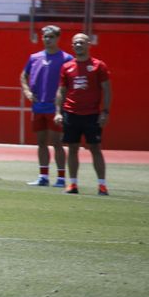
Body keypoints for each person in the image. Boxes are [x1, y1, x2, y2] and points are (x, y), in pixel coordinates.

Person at [54, 32, 110, 196]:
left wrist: (105, 111)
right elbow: (62, 91)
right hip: (71, 113)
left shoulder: (99, 66)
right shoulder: (67, 67)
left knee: (95, 148)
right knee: (72, 148)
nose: (79, 45)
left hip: (92, 114)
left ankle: (102, 185)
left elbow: (107, 89)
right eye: (76, 43)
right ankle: (73, 184)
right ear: (72, 46)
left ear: (88, 45)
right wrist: (58, 112)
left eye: (82, 42)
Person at [20, 24, 71, 187]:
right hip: (38, 107)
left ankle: (61, 178)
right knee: (41, 142)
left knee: (57, 142)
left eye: (51, 37)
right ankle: (43, 176)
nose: (47, 40)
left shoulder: (66, 59)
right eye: (45, 36)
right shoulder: (34, 57)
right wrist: (27, 92)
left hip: (55, 108)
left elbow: (71, 83)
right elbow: (23, 76)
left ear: (58, 38)